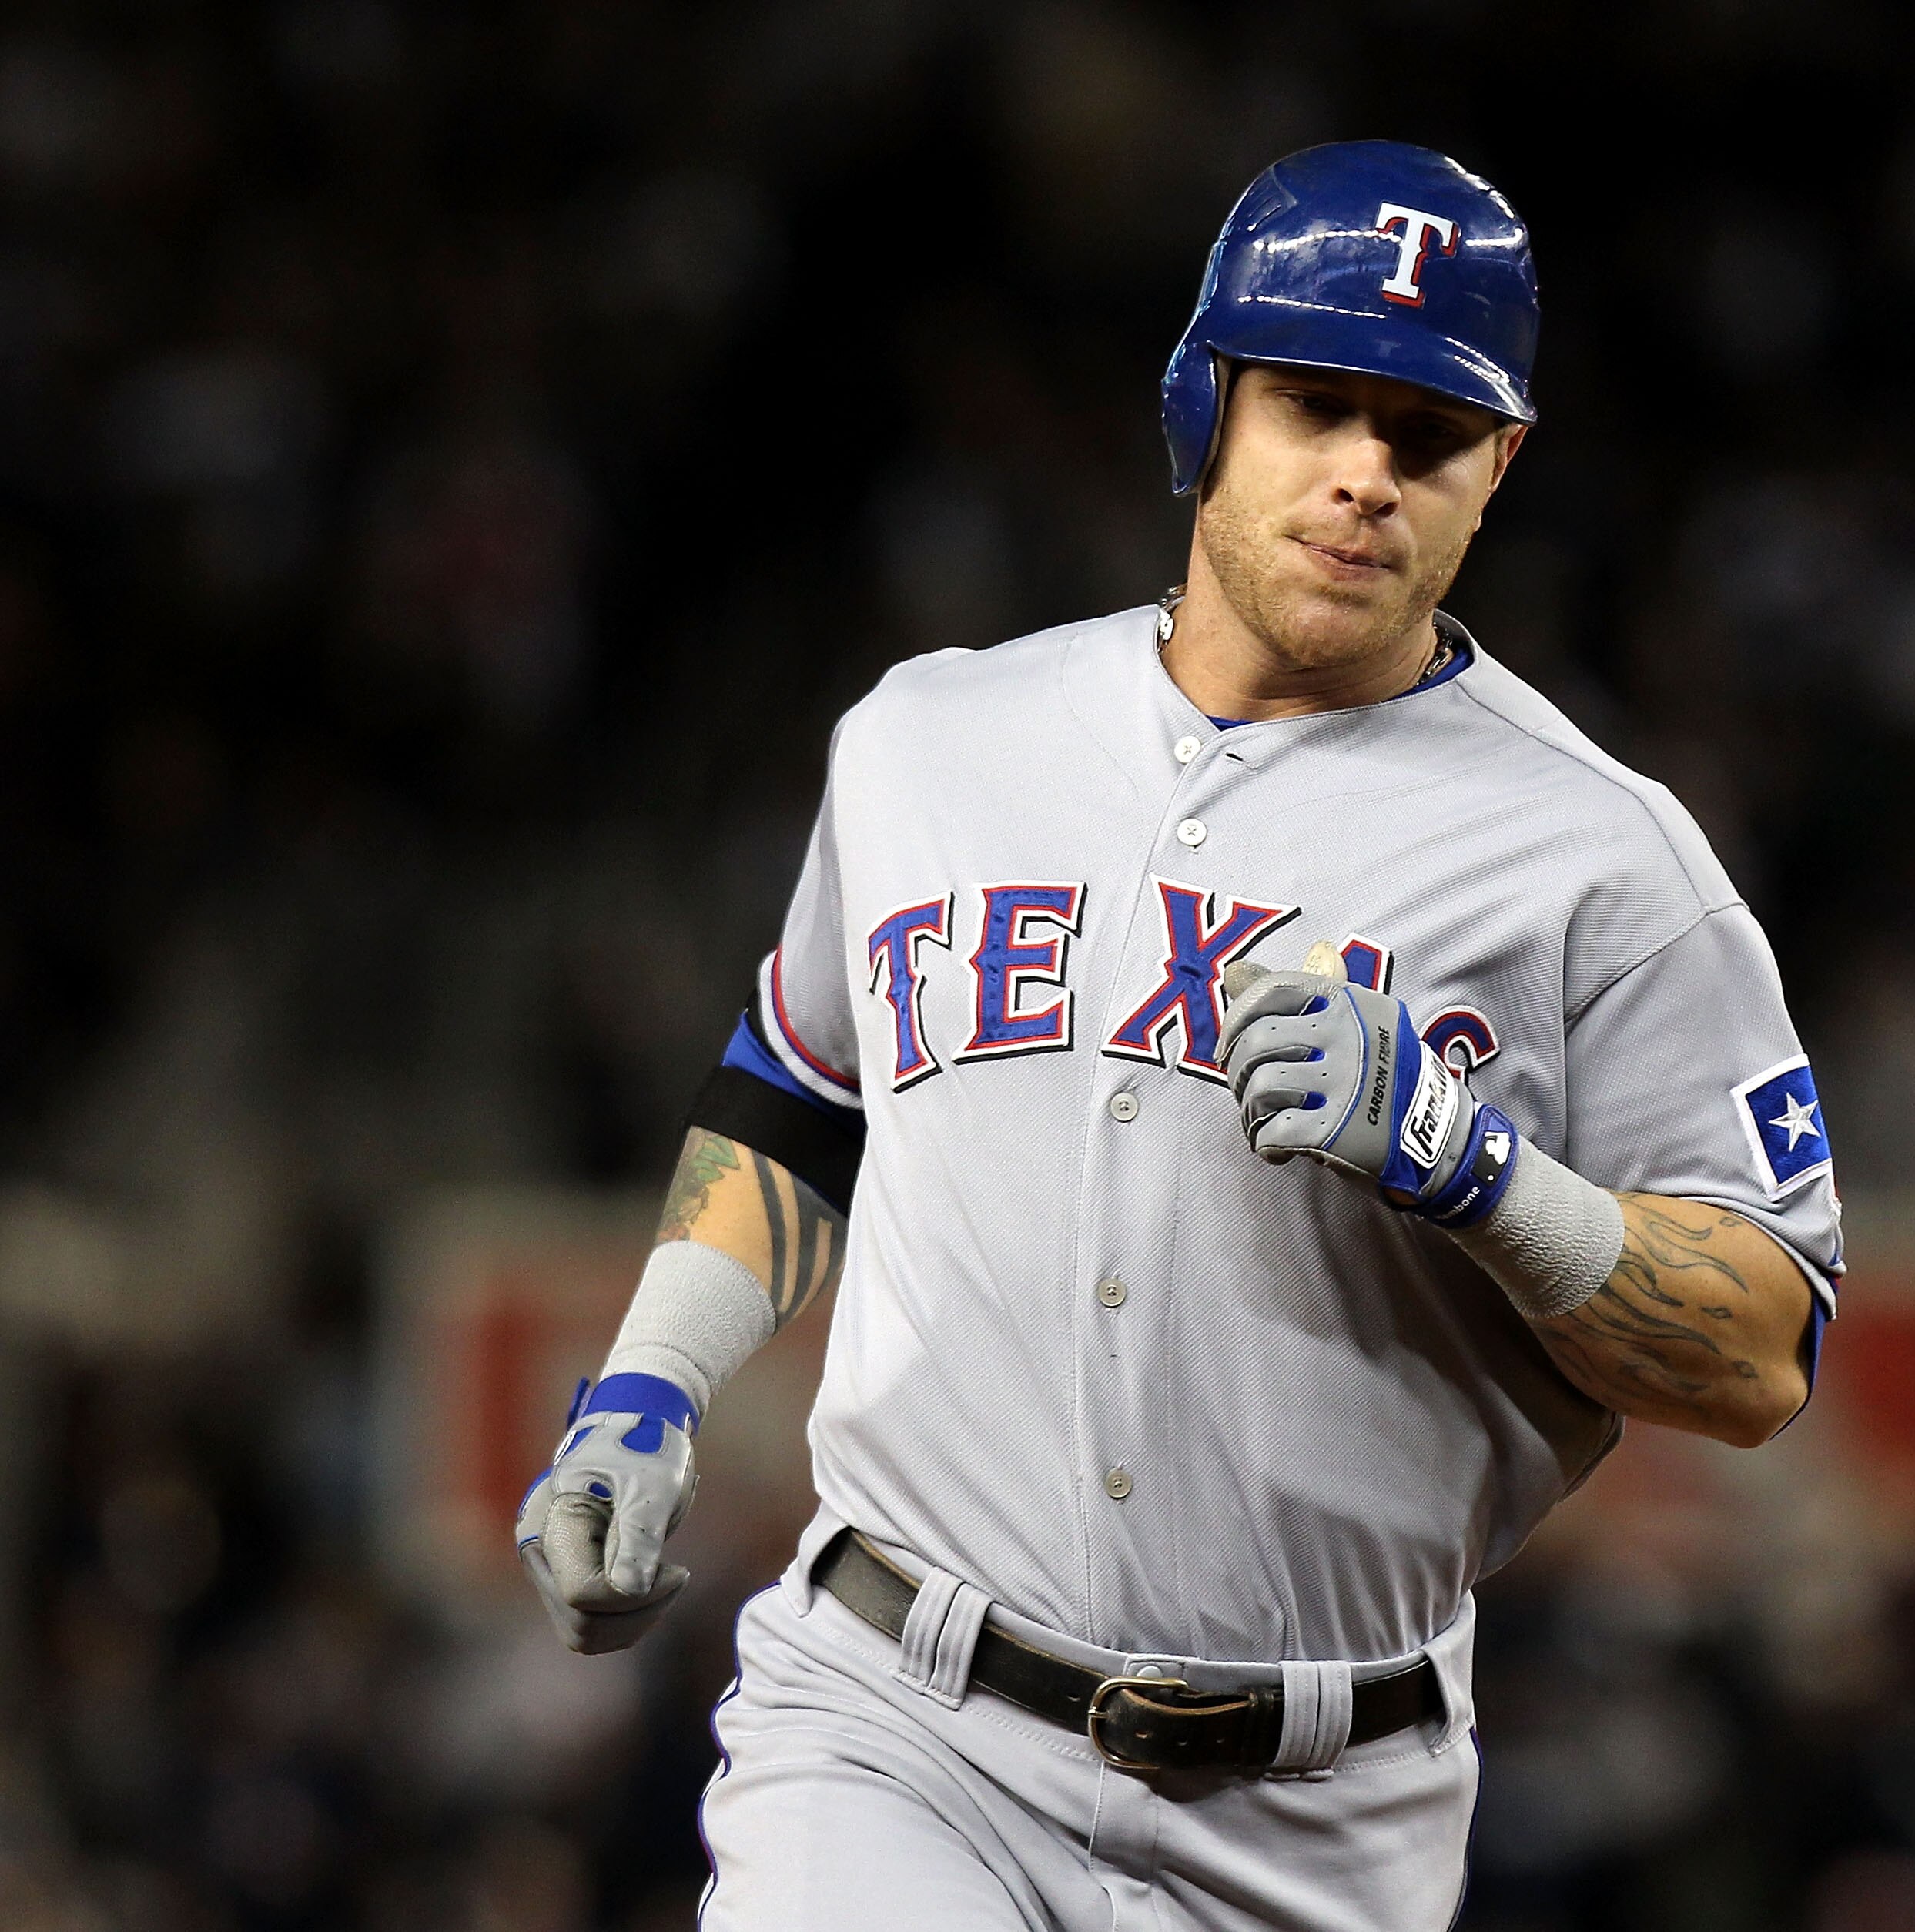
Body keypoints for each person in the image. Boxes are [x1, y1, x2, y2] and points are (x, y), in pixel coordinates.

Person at [512, 139, 1843, 1930]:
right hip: (898, 1721)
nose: (1368, 475)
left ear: (1498, 468)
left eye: (1429, 432)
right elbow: (802, 1087)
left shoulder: (1605, 859)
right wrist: (648, 1384)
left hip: (1321, 1802)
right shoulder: (931, 738)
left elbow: (1759, 1352)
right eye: (1314, 404)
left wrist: (1488, 1176)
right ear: (1200, 404)